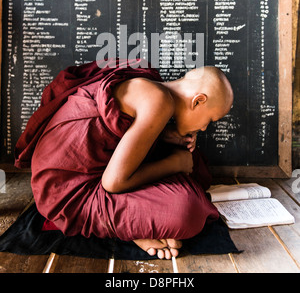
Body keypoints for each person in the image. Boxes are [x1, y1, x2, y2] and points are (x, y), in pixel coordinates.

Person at [14, 59, 233, 260]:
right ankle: (132, 230)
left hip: (82, 176)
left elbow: (117, 130)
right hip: (67, 192)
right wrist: (175, 163)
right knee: (188, 212)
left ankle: (136, 225)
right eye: (210, 119)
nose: (204, 128)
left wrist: (165, 136)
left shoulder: (152, 88)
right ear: (198, 101)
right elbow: (113, 182)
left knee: (194, 168)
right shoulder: (158, 101)